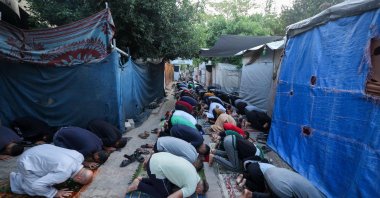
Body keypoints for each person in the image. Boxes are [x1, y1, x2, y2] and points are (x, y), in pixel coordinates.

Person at [10, 144, 93, 198]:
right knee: (33, 189)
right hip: (26, 161)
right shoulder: (64, 173)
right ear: (78, 178)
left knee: (48, 178)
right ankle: (15, 180)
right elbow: (36, 185)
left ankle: (22, 177)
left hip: (40, 148)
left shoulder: (79, 156)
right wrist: (55, 193)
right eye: (78, 182)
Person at [127, 152, 208, 198]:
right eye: (199, 192)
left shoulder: (195, 173)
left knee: (167, 185)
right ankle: (138, 185)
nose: (197, 193)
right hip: (155, 166)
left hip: (157, 156)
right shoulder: (192, 188)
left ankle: (141, 179)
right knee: (164, 194)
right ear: (199, 187)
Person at [240, 162, 325, 198]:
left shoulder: (314, 189)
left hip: (270, 173)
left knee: (274, 195)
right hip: (279, 183)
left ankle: (251, 194)